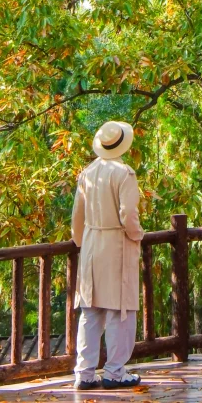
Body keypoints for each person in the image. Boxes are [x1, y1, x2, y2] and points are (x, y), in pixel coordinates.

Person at [71, 119, 144, 389]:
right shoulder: (124, 174)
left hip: (91, 244)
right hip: (116, 244)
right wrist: (136, 235)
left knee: (90, 310)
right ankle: (115, 371)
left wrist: (80, 241)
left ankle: (85, 373)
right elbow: (129, 215)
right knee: (119, 310)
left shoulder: (87, 173)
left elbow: (77, 215)